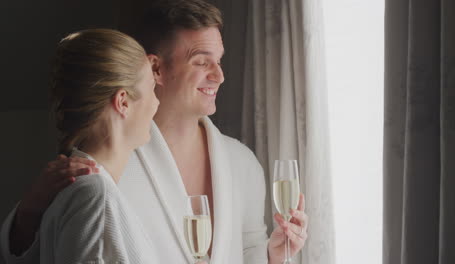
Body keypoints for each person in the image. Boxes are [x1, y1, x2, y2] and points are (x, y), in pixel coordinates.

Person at [1, 1, 309, 263]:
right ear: (156, 69)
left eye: (220, 61)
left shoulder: (242, 161)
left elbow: (245, 251)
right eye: (202, 62)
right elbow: (49, 248)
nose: (219, 75)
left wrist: (271, 254)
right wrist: (29, 211)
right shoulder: (103, 163)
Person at [0, 28, 162, 263]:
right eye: (152, 89)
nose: (156, 102)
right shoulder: (93, 192)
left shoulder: (81, 187)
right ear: (123, 101)